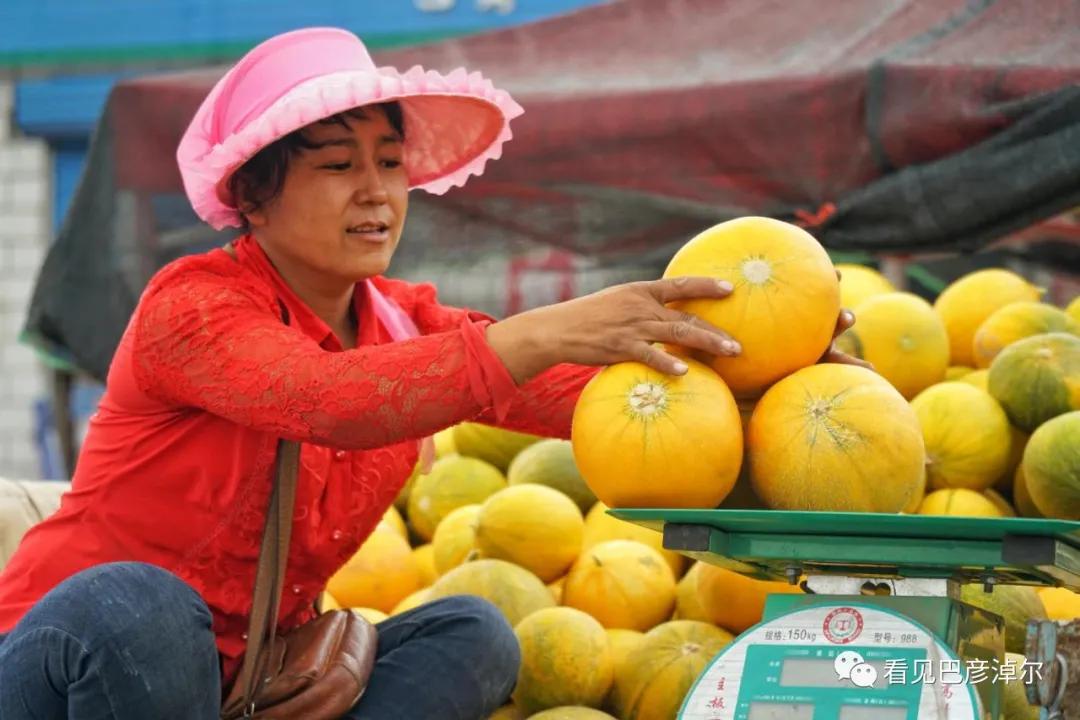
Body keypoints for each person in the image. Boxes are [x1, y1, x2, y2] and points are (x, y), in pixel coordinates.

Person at [0, 27, 858, 720]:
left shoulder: (404, 320)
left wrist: (768, 369)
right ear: (254, 196)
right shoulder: (192, 308)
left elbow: (598, 402)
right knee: (140, 606)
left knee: (475, 634)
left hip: (251, 683)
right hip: (66, 662)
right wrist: (546, 329)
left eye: (389, 162)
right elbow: (328, 400)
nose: (375, 191)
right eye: (337, 165)